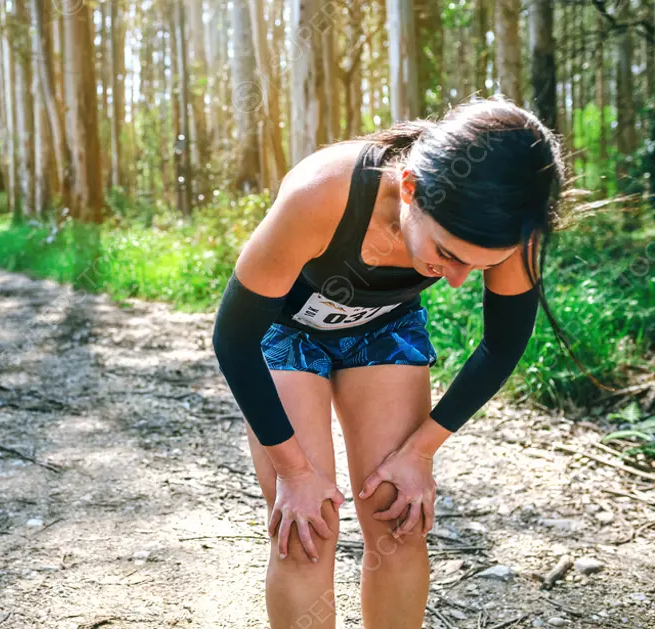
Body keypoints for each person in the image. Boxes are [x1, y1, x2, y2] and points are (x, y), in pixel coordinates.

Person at [211, 96, 579, 629]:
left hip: (384, 328)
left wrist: (420, 453)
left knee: (399, 522)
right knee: (306, 532)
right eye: (448, 254)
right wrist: (294, 471)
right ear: (409, 189)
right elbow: (233, 338)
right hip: (283, 330)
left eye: (482, 265)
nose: (455, 279)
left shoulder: (509, 227)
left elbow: (502, 344)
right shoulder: (323, 193)